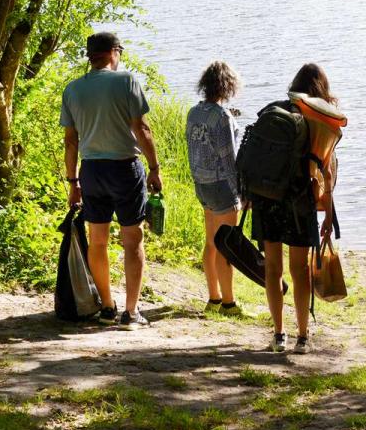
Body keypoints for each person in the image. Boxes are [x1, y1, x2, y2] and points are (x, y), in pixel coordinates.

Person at [62, 32, 162, 329]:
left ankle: (106, 307)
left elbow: (70, 141)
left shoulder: (73, 90)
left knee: (98, 241)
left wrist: (72, 181)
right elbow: (142, 128)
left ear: (91, 57)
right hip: (125, 169)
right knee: (132, 241)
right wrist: (154, 167)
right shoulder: (126, 81)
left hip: (91, 171)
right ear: (113, 53)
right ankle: (131, 313)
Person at [251, 63, 339, 354]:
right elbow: (326, 172)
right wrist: (328, 213)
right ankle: (302, 336)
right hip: (298, 199)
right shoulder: (320, 118)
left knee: (272, 267)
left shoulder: (273, 110)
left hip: (266, 196)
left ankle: (278, 334)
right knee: (299, 269)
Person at [186, 60, 245, 317]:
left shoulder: (194, 112)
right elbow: (229, 158)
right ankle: (229, 304)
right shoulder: (222, 117)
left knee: (210, 242)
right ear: (228, 86)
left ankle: (213, 298)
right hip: (221, 186)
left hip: (202, 183)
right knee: (226, 246)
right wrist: (240, 193)